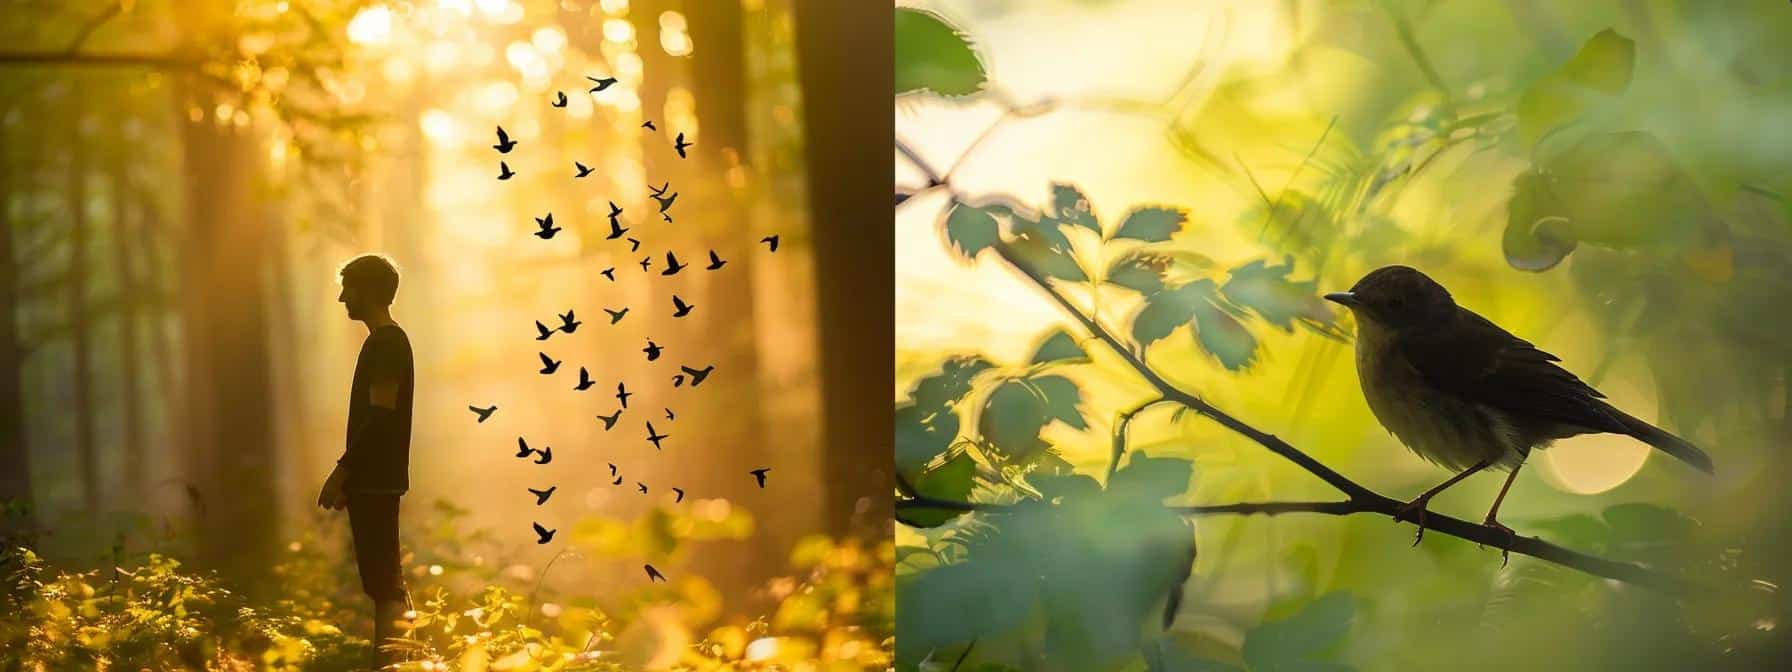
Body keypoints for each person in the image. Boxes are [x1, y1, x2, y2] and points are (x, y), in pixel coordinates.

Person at [317, 253, 415, 668]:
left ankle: (392, 663)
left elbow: (381, 414)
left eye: (348, 288)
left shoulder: (387, 343)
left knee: (383, 584)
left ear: (369, 291)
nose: (342, 298)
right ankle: (401, 659)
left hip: (376, 481)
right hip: (373, 480)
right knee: (384, 580)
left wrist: (344, 470)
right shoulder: (384, 342)